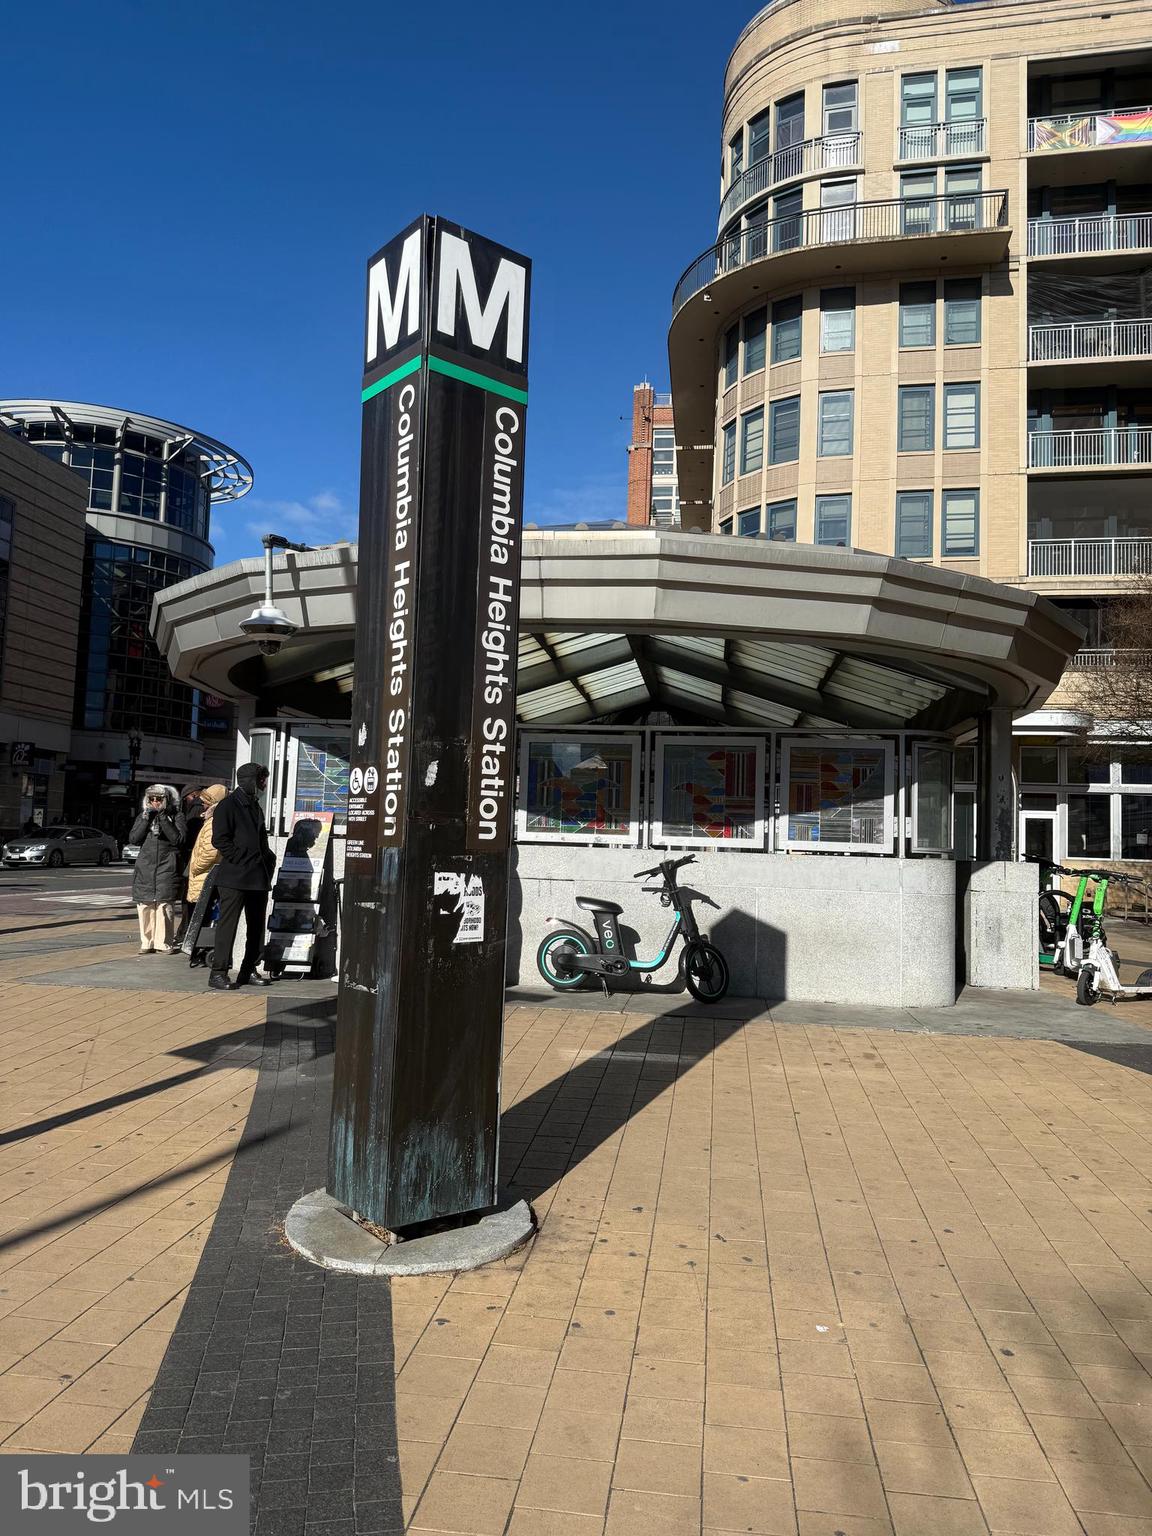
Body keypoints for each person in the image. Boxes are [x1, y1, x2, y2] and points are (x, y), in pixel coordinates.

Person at [209, 763, 275, 990]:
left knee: (256, 926)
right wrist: (240, 858)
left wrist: (268, 860)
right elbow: (220, 840)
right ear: (250, 780)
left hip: (257, 876)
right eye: (261, 779)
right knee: (228, 925)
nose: (264, 784)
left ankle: (249, 968)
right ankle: (218, 972)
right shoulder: (228, 806)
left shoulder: (255, 806)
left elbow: (261, 840)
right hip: (234, 878)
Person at [128, 784, 186, 954]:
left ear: (166, 799)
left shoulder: (177, 816)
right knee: (145, 905)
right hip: (146, 866)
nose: (155, 802)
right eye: (151, 799)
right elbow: (134, 838)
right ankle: (147, 942)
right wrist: (146, 819)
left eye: (159, 799)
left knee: (164, 905)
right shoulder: (143, 816)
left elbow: (178, 839)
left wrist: (162, 817)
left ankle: (163, 942)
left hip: (167, 865)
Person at [184, 784, 227, 968]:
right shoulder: (212, 819)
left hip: (204, 875)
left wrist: (195, 866)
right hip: (204, 875)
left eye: (206, 802)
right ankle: (198, 950)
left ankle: (199, 951)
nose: (202, 805)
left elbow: (210, 851)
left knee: (202, 914)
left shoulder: (213, 822)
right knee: (201, 913)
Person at [172, 786, 206, 950]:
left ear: (191, 796)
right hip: (194, 858)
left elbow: (188, 837)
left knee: (189, 898)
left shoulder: (196, 809)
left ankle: (185, 932)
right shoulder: (201, 808)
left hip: (192, 859)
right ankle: (184, 931)